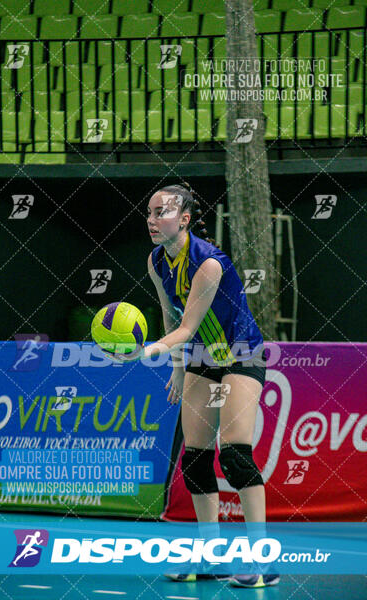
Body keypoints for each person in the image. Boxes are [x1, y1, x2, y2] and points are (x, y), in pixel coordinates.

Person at [124, 182, 279, 588]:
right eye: (150, 213)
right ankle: (212, 558)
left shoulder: (209, 264)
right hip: (198, 357)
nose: (153, 221)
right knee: (194, 458)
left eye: (162, 213)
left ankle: (262, 560)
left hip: (241, 354)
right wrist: (176, 368)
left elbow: (189, 325)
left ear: (186, 219)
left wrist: (149, 350)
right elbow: (170, 316)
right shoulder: (156, 261)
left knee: (234, 454)